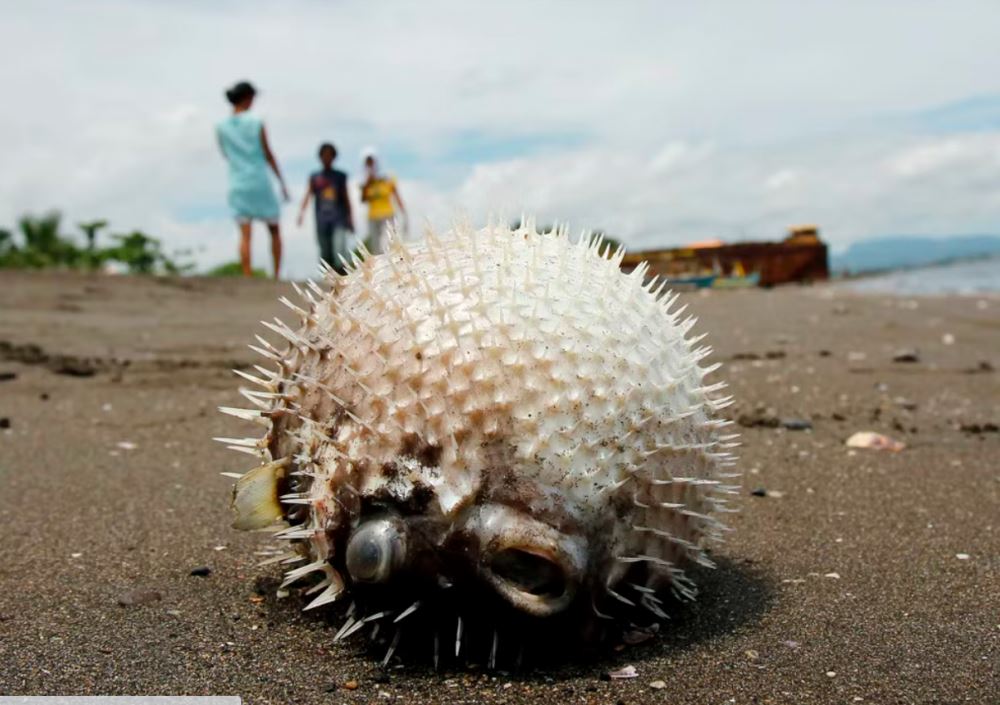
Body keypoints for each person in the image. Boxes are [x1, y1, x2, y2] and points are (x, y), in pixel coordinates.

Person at [216, 80, 289, 278]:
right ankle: (276, 274)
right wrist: (282, 182)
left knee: (245, 233)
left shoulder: (221, 126)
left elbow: (225, 153)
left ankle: (247, 275)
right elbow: (268, 153)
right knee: (274, 228)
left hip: (238, 182)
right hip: (259, 180)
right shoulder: (256, 121)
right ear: (247, 98)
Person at [297, 142, 353, 274]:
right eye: (324, 155)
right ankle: (329, 282)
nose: (327, 158)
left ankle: (343, 278)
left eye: (329, 155)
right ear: (320, 157)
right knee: (325, 251)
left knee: (339, 249)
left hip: (338, 219)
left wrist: (350, 218)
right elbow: (308, 194)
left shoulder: (340, 177)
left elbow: (346, 198)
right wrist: (301, 213)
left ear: (333, 157)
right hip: (322, 220)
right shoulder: (315, 177)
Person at [360, 150, 406, 254]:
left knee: (391, 242)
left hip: (388, 214)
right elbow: (363, 199)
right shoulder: (364, 181)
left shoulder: (387, 178)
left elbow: (396, 195)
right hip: (373, 217)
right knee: (376, 246)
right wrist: (367, 182)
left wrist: (404, 213)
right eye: (368, 163)